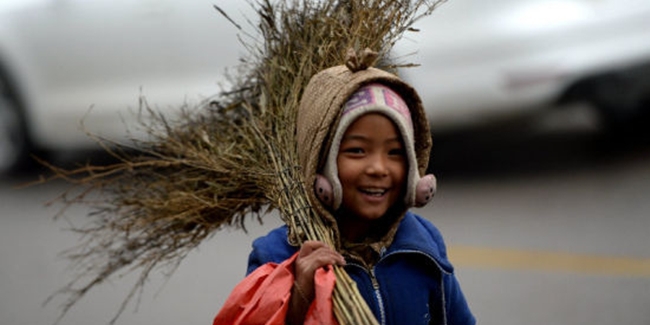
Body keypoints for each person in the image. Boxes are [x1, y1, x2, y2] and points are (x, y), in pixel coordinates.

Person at [235, 56, 475, 325]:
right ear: (320, 163)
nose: (378, 168)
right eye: (357, 151)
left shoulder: (423, 243)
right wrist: (300, 292)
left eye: (395, 152)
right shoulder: (277, 256)